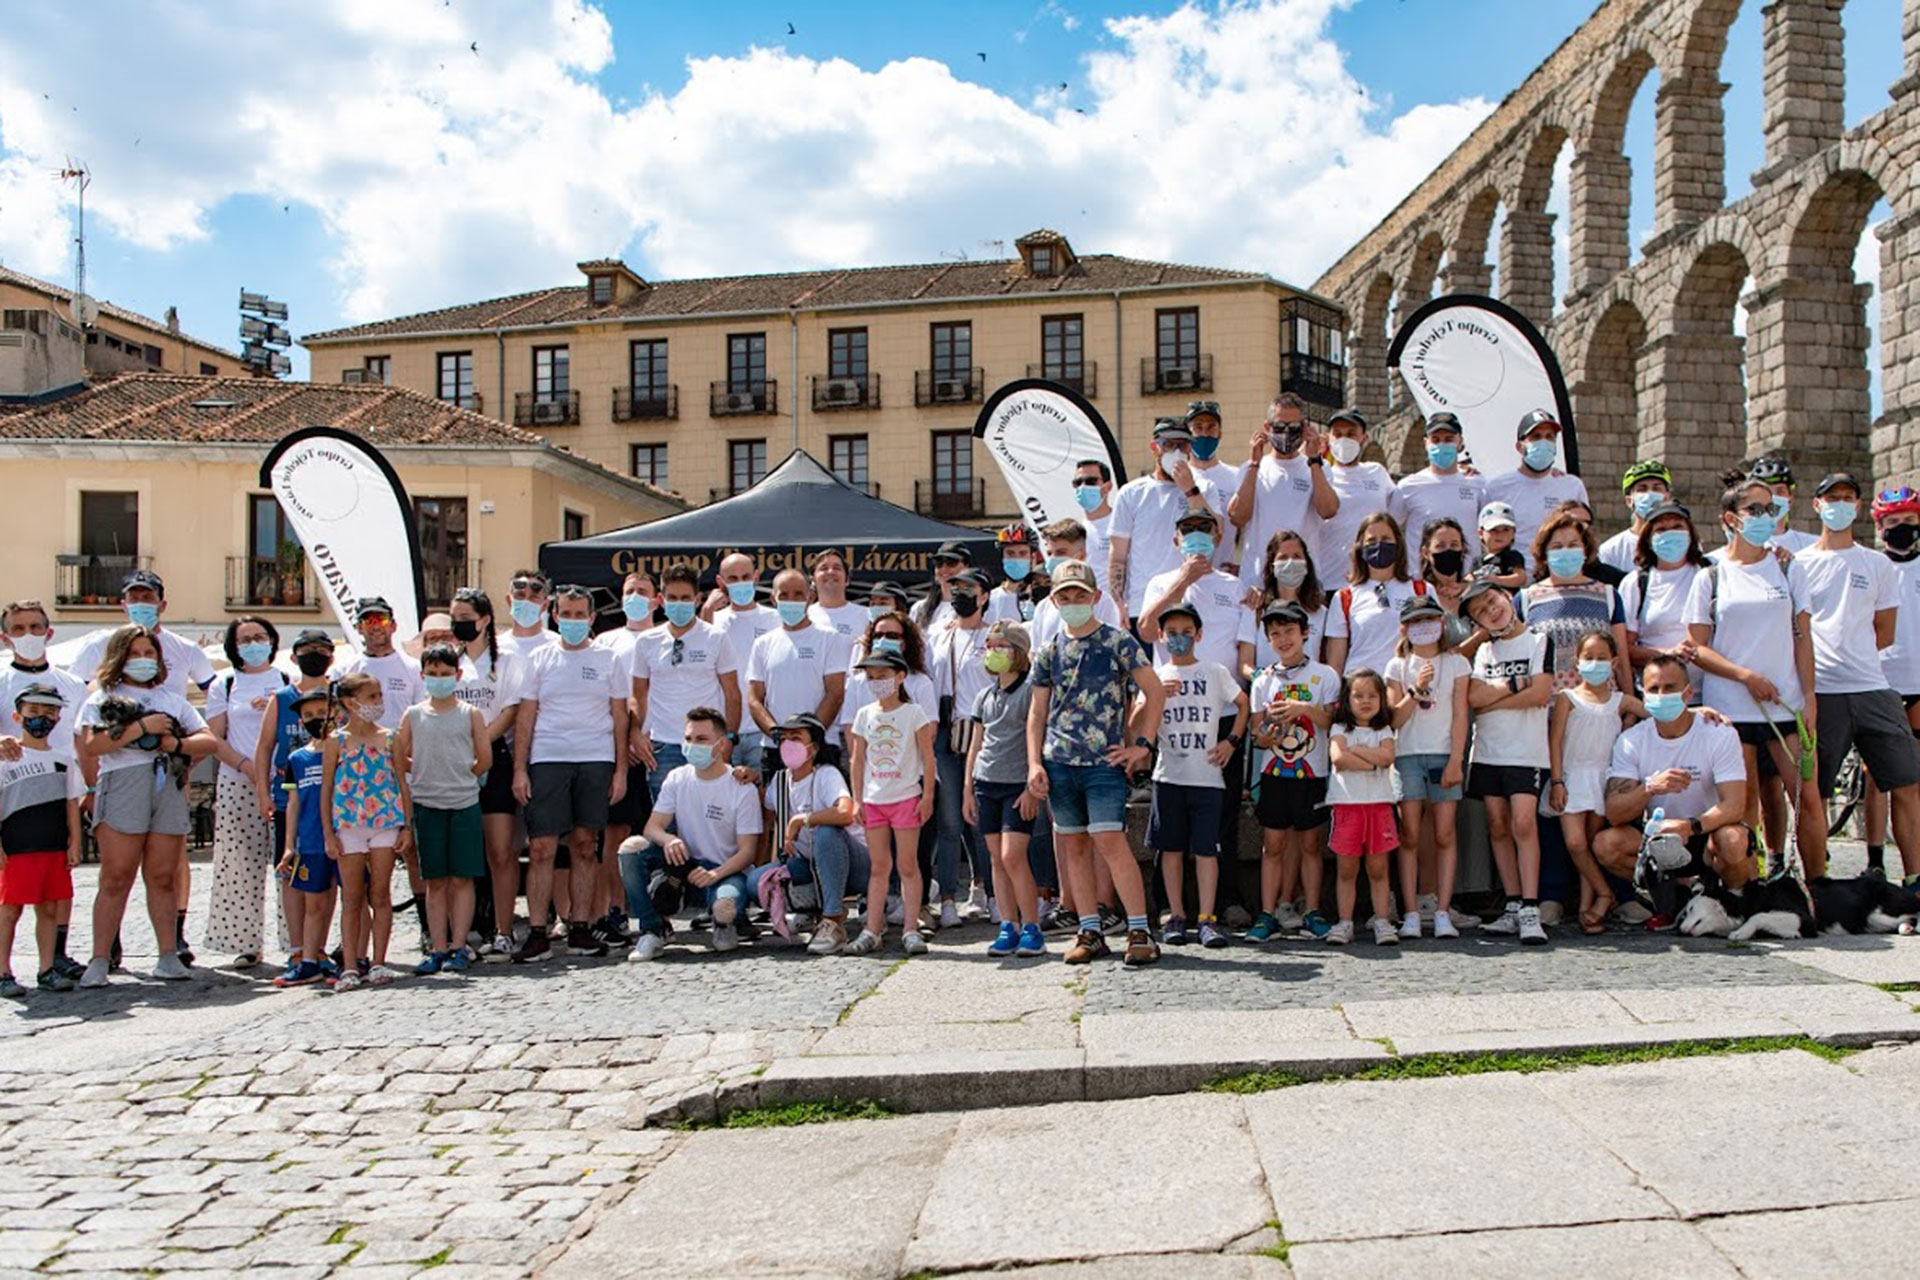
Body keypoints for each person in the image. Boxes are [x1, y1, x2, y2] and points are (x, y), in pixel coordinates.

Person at [1026, 561, 1165, 965]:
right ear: (1054, 600)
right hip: (1060, 761)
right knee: (1074, 847)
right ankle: (1089, 929)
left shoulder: (1118, 642)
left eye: (1079, 595)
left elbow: (1154, 692)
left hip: (1104, 761)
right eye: (1064, 597)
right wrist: (1034, 763)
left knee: (1110, 842)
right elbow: (1037, 713)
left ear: (1095, 597)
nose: (1072, 603)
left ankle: (1138, 927)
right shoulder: (1050, 650)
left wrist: (1142, 745)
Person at [1685, 477, 1822, 872]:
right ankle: (1748, 884)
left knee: (1807, 799)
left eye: (1771, 508)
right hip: (1731, 709)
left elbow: (1802, 637)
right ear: (1731, 518)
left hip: (1786, 704)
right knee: (1744, 805)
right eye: (1755, 510)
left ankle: (1818, 886)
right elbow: (1698, 648)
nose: (1766, 516)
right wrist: (1745, 676)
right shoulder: (1709, 574)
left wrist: (1809, 698)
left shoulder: (1788, 567)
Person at [76, 627, 217, 986]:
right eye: (135, 653)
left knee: (162, 876)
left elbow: (208, 741)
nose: (143, 660)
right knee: (116, 875)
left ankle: (168, 955)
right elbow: (93, 745)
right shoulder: (103, 697)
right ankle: (99, 959)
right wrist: (140, 728)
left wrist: (172, 743)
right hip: (123, 783)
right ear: (120, 657)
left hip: (165, 783)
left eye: (149, 653)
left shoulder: (171, 699)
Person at [1796, 472, 1920, 880]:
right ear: (1817, 506)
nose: (1840, 504)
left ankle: (1915, 881)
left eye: (1848, 497)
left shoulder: (1877, 563)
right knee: (1812, 794)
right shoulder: (1800, 564)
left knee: (1907, 784)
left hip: (1873, 686)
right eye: (1833, 497)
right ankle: (1818, 883)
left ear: (1858, 507)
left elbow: (1884, 631)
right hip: (1823, 691)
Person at [512, 584, 627, 963]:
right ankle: (538, 931)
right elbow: (525, 716)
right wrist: (520, 769)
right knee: (542, 848)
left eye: (581, 615)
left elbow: (620, 717)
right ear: (555, 615)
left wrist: (621, 769)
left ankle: (580, 927)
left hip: (595, 757)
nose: (574, 621)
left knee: (584, 845)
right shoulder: (540, 658)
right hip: (548, 758)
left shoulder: (609, 659)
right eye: (567, 614)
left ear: (592, 618)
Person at [1594, 654, 1753, 921]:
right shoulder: (1631, 740)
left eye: (1670, 688)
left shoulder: (1719, 734)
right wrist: (1649, 788)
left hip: (1707, 831)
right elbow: (1614, 813)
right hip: (1660, 839)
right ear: (1643, 695)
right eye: (1654, 689)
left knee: (1733, 841)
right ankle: (1680, 892)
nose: (1661, 695)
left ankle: (1737, 904)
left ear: (1688, 693)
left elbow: (1735, 806)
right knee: (1606, 844)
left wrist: (1690, 826)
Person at [1147, 605, 1248, 948]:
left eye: (1186, 631)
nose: (1179, 638)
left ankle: (1208, 917)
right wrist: (1156, 698)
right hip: (1169, 775)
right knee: (1171, 849)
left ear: (1199, 634)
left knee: (1207, 850)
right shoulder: (1155, 675)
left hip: (1207, 777)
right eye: (1171, 632)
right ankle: (1176, 915)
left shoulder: (1214, 670)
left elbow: (1243, 704)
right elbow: (1134, 723)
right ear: (1160, 637)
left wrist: (1232, 741)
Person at [623, 708, 763, 956]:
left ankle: (724, 924)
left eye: (701, 739)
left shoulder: (742, 787)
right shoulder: (677, 778)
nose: (692, 745)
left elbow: (748, 852)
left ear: (721, 745)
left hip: (725, 871)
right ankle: (652, 931)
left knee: (724, 907)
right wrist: (669, 839)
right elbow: (652, 828)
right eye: (688, 739)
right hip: (685, 868)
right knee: (631, 848)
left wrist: (714, 874)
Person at [0, 600, 89, 981]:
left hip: (60, 789)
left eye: (36, 627)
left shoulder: (70, 684)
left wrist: (90, 787)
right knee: (10, 900)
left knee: (57, 892)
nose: (28, 635)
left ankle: (54, 959)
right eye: (18, 629)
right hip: (13, 799)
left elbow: (79, 739)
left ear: (49, 632)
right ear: (6, 637)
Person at [1464, 579, 1553, 946]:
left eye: (1492, 600)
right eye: (1481, 611)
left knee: (1522, 822)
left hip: (1526, 751)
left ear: (1506, 596)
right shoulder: (1484, 652)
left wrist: (1495, 697)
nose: (1492, 610)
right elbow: (1473, 696)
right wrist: (1517, 686)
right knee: (1498, 825)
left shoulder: (1539, 640)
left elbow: (1541, 693)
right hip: (1487, 750)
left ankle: (1532, 906)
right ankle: (1513, 904)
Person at [395, 643, 490, 974]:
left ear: (458, 675)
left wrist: (463, 776)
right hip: (426, 803)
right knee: (435, 880)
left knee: (462, 878)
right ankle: (437, 947)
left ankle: (459, 944)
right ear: (422, 676)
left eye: (445, 674)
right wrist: (421, 769)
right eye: (433, 674)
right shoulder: (414, 714)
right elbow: (399, 754)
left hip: (464, 802)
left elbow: (484, 757)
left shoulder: (470, 714)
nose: (439, 679)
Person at [1248, 602, 1340, 941]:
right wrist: (1265, 735)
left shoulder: (1325, 676)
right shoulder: (1263, 680)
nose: (1283, 639)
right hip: (1274, 774)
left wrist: (1305, 709)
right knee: (1272, 845)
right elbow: (1256, 735)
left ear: (1305, 633)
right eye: (1275, 634)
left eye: (1289, 631)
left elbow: (1332, 722)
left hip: (1313, 773)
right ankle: (1267, 913)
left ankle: (1312, 910)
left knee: (1311, 845)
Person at [203, 617, 291, 968]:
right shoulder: (224, 684)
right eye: (246, 639)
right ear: (234, 646)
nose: (254, 643)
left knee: (288, 857)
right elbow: (214, 738)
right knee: (239, 861)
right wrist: (247, 766)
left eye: (260, 636)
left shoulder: (286, 680)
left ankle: (295, 940)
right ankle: (245, 942)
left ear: (271, 640)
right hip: (238, 778)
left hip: (283, 778)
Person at [1549, 630, 1645, 933]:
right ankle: (1606, 892)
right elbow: (1554, 742)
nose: (1595, 663)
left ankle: (1589, 909)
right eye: (1589, 657)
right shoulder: (1568, 699)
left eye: (1602, 658)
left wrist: (1701, 712)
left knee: (1591, 845)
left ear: (1614, 661)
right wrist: (1556, 781)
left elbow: (1657, 713)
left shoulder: (1621, 701)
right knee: (1575, 842)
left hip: (1602, 780)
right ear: (1577, 662)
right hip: (1571, 776)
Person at [251, 628, 336, 970]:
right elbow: (264, 748)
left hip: (332, 801)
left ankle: (321, 946)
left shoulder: (338, 695)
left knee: (326, 876)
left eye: (320, 648)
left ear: (331, 657)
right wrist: (261, 791)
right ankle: (297, 945)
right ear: (294, 657)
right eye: (306, 649)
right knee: (291, 874)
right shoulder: (282, 698)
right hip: (289, 799)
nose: (313, 654)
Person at [1385, 596, 1468, 940]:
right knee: (1410, 835)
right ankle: (1410, 912)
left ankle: (1442, 910)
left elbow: (1461, 714)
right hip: (1407, 755)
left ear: (1441, 623)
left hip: (1443, 753)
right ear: (1405, 628)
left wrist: (1456, 760)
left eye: (1429, 620)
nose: (1424, 628)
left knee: (1445, 833)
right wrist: (1415, 689)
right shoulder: (1396, 666)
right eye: (1416, 622)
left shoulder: (1457, 663)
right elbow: (1394, 718)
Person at [446, 589, 522, 960]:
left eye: (465, 616)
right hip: (453, 763)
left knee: (500, 851)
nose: (458, 623)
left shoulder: (506, 661)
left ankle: (505, 930)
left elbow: (510, 711)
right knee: (461, 853)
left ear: (485, 619)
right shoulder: (449, 662)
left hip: (495, 758)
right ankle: (459, 933)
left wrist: (479, 745)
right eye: (453, 616)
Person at [964, 621, 1048, 958]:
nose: (993, 652)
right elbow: (975, 745)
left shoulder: (1030, 691)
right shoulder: (984, 695)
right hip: (987, 783)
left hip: (1017, 784)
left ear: (1018, 651)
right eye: (990, 646)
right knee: (996, 860)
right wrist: (968, 789)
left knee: (1014, 855)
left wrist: (1032, 787)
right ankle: (1007, 924)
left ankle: (1032, 926)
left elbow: (1037, 736)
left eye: (1001, 645)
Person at [322, 672, 409, 990]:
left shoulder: (390, 737)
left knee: (381, 893)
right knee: (352, 897)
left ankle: (379, 961)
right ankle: (349, 966)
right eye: (371, 697)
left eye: (379, 696)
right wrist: (328, 833)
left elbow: (401, 782)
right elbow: (327, 788)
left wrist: (406, 826)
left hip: (385, 822)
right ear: (349, 702)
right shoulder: (336, 741)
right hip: (349, 824)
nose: (378, 703)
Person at [751, 714, 865, 958]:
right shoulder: (781, 781)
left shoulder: (826, 774)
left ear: (812, 748)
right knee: (757, 880)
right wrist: (750, 781)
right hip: (809, 863)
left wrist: (804, 819)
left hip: (854, 863)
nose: (788, 744)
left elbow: (845, 812)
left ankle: (833, 920)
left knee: (826, 832)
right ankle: (808, 910)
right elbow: (766, 812)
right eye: (784, 738)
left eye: (796, 738)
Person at [847, 650, 936, 955]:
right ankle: (872, 929)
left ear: (900, 677)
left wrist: (927, 796)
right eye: (871, 677)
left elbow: (928, 755)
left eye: (883, 676)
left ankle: (911, 928)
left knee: (908, 865)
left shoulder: (913, 713)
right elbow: (857, 761)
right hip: (874, 800)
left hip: (905, 797)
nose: (876, 683)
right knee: (879, 867)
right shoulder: (864, 715)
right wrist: (857, 800)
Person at [631, 563, 743, 806]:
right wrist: (635, 733)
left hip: (709, 746)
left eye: (685, 598)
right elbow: (638, 695)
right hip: (663, 747)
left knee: (711, 817)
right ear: (661, 599)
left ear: (697, 599)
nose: (679, 603)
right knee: (666, 822)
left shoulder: (716, 637)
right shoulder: (646, 641)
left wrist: (729, 740)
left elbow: (732, 694)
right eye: (672, 598)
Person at [1107, 417, 1230, 625]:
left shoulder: (1204, 488)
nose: (1176, 452)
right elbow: (1118, 555)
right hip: (1143, 604)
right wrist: (1118, 603)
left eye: (1182, 445)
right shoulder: (1132, 493)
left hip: (1192, 603)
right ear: (1154, 448)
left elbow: (1217, 533)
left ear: (1190, 448)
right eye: (1168, 445)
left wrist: (1190, 489)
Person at [926, 569, 992, 924]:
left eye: (970, 588)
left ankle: (993, 894)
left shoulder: (996, 634)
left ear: (984, 596)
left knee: (981, 819)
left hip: (983, 733)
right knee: (950, 820)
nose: (962, 593)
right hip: (947, 731)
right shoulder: (937, 634)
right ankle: (948, 899)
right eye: (957, 588)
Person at [1229, 393, 1338, 594]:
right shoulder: (1250, 468)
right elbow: (1237, 517)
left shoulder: (1318, 469)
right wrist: (1254, 463)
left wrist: (1314, 459)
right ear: (1267, 428)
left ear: (1305, 428)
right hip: (1258, 584)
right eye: (1279, 427)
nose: (1286, 433)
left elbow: (1328, 510)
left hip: (1304, 583)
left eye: (1294, 428)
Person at [747, 569, 851, 776]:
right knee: (778, 807)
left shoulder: (830, 639)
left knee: (821, 808)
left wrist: (809, 736)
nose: (791, 600)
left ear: (810, 597)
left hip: (820, 747)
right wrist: (777, 734)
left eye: (798, 594)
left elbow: (835, 693)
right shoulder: (762, 644)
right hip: (774, 748)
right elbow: (754, 699)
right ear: (773, 599)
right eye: (784, 595)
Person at [1868, 485, 1920, 877]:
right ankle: (1873, 861)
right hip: (1880, 681)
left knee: (1912, 781)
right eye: (1892, 522)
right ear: (1880, 526)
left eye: (1909, 521)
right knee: (1876, 778)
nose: (1900, 528)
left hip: (1918, 680)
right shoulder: (1872, 566)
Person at [1326, 669, 1399, 946]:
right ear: (1347, 699)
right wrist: (1371, 762)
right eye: (1358, 695)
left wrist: (1356, 752)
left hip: (1379, 804)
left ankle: (1382, 920)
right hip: (1347, 805)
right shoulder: (1339, 729)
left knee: (1378, 867)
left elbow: (1388, 756)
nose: (1365, 701)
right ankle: (1345, 922)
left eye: (1372, 695)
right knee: (1346, 868)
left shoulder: (1383, 729)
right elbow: (1339, 759)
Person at [274, 687, 340, 988]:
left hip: (344, 838)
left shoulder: (345, 750)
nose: (316, 720)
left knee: (351, 899)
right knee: (314, 902)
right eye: (308, 715)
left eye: (321, 713)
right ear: (300, 721)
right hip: (310, 840)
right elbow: (293, 802)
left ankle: (354, 958)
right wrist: (289, 845)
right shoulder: (296, 759)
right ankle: (309, 959)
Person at [66, 570, 215, 698]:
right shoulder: (98, 646)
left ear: (162, 605)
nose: (140, 604)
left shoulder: (187, 649)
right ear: (124, 606)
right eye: (134, 599)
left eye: (147, 598)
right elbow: (71, 692)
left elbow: (215, 694)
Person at [1138, 509, 1246, 672]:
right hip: (1175, 692)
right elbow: (1147, 632)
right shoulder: (1159, 583)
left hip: (1226, 692)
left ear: (1218, 538)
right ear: (1176, 541)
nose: (1196, 534)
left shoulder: (1235, 586)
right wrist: (1183, 581)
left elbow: (1245, 645)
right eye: (1187, 529)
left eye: (1204, 528)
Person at [1311, 409, 1403, 592]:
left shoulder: (1377, 472)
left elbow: (1396, 516)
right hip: (1328, 581)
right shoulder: (1318, 474)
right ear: (1328, 438)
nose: (1344, 439)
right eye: (1338, 434)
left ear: (1364, 438)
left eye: (1351, 434)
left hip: (1371, 582)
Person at [1485, 409, 1589, 569]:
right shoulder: (1497, 487)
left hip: (1558, 577)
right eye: (1536, 437)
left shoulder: (1571, 486)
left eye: (1549, 437)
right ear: (1520, 447)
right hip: (1514, 579)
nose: (1544, 442)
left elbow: (1584, 534)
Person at [1619, 499, 1707, 689]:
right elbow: (1625, 648)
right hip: (1658, 693)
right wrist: (1666, 654)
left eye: (1677, 527)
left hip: (1710, 692)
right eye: (1661, 529)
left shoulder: (1710, 573)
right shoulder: (1635, 583)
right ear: (1649, 539)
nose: (1670, 534)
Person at [1325, 512, 1423, 677]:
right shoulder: (1344, 597)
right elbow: (1335, 663)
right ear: (1360, 547)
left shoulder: (1422, 590)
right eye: (1371, 540)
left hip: (1407, 686)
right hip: (1361, 689)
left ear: (1398, 544)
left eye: (1386, 539)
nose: (1379, 545)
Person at [1396, 411, 1486, 573]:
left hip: (1468, 581)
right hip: (1422, 582)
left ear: (1460, 443)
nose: (1441, 445)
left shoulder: (1477, 484)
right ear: (1425, 443)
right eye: (1435, 440)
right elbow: (1392, 528)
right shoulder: (1408, 486)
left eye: (1448, 439)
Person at [1239, 530, 1328, 678]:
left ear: (1306, 565)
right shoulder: (1255, 609)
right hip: (1269, 695)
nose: (1290, 562)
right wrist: (1262, 677)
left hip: (1309, 696)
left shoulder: (1321, 612)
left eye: (1297, 556)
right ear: (1272, 566)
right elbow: (1244, 665)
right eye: (1283, 557)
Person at [336, 597, 424, 732]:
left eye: (381, 620)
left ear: (393, 626)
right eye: (369, 621)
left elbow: (421, 715)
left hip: (401, 748)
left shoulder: (414, 668)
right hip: (358, 749)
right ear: (359, 628)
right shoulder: (345, 670)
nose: (376, 626)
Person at [1033, 519, 1123, 650]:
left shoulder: (1102, 601)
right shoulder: (1043, 607)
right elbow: (1035, 654)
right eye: (1049, 553)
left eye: (1061, 553)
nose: (1052, 559)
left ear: (1081, 555)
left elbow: (1113, 647)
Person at [1184, 400, 1244, 572]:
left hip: (1224, 574)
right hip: (1184, 574)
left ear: (1220, 433)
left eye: (1211, 427)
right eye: (1198, 427)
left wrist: (1243, 565)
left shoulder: (1236, 475)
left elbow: (1249, 526)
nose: (1205, 434)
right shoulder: (1178, 476)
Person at [1599, 460, 1674, 575]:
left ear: (1667, 497)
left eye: (1656, 488)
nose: (1649, 494)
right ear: (1629, 501)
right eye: (1642, 489)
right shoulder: (1611, 550)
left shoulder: (1681, 542)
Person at [1748, 454, 1818, 555]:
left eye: (1780, 491)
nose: (1773, 497)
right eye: (1766, 492)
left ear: (1790, 498)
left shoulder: (1811, 546)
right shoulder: (1741, 548)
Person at [1070, 459, 1117, 595]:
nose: (1083, 487)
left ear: (1107, 487)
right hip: (1085, 607)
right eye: (1077, 483)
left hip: (1119, 608)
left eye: (1091, 481)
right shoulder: (1076, 530)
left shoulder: (1122, 523)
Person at [911, 541, 975, 634]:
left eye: (951, 563)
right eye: (939, 564)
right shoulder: (920, 609)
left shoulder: (979, 607)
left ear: (967, 566)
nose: (944, 569)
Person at [499, 569, 558, 663]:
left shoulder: (557, 647)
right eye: (520, 596)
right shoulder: (496, 648)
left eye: (533, 597)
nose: (526, 602)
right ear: (509, 600)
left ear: (545, 605)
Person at [807, 549, 868, 639]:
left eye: (837, 568)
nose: (831, 572)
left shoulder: (866, 616)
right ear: (813, 580)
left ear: (847, 580)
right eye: (824, 568)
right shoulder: (804, 616)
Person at [989, 524, 1037, 624]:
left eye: (1023, 553)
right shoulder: (990, 599)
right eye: (1010, 553)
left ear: (1032, 557)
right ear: (1002, 558)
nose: (1017, 558)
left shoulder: (1046, 596)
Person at [1475, 501, 1528, 590]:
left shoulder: (1513, 556)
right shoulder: (1477, 561)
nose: (1500, 534)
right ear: (1481, 533)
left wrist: (1496, 580)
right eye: (1493, 530)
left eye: (1506, 529)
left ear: (1513, 533)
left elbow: (1520, 578)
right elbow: (1469, 579)